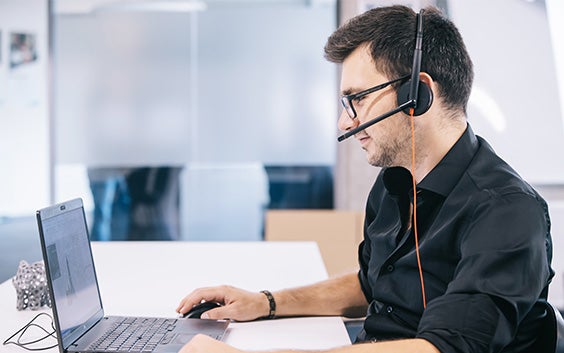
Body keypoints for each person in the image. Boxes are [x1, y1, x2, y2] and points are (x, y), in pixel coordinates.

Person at [176, 5, 554, 353]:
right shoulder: (396, 180)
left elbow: (445, 348)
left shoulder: (506, 211)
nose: (345, 122)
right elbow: (370, 284)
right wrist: (265, 302)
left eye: (357, 99)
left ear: (418, 93)